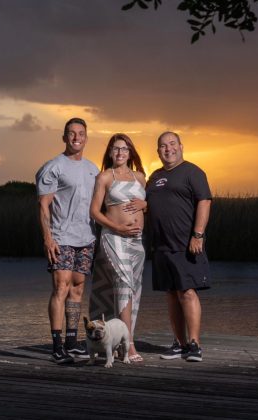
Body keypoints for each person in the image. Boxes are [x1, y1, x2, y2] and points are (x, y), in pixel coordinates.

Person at [35, 117, 99, 364]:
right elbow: (43, 206)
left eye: (81, 134)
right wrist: (48, 238)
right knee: (61, 288)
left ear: (86, 137)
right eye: (71, 134)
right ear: (64, 137)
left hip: (87, 237)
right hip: (61, 237)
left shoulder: (93, 169)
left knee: (78, 289)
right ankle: (57, 345)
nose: (76, 138)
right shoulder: (54, 167)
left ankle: (73, 342)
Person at [146, 131, 212, 362]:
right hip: (161, 246)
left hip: (185, 244)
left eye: (172, 144)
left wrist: (198, 235)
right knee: (171, 294)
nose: (168, 149)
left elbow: (204, 201)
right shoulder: (154, 176)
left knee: (187, 292)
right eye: (163, 145)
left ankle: (194, 344)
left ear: (181, 146)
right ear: (158, 151)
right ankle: (179, 342)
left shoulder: (193, 172)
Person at [89, 133, 146, 362]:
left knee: (133, 289)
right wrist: (118, 228)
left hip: (137, 242)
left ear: (130, 152)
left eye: (124, 149)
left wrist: (146, 204)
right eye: (115, 149)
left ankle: (114, 338)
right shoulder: (104, 177)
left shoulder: (140, 177)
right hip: (114, 237)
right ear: (110, 153)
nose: (120, 153)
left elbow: (145, 207)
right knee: (123, 284)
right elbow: (94, 211)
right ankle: (129, 346)